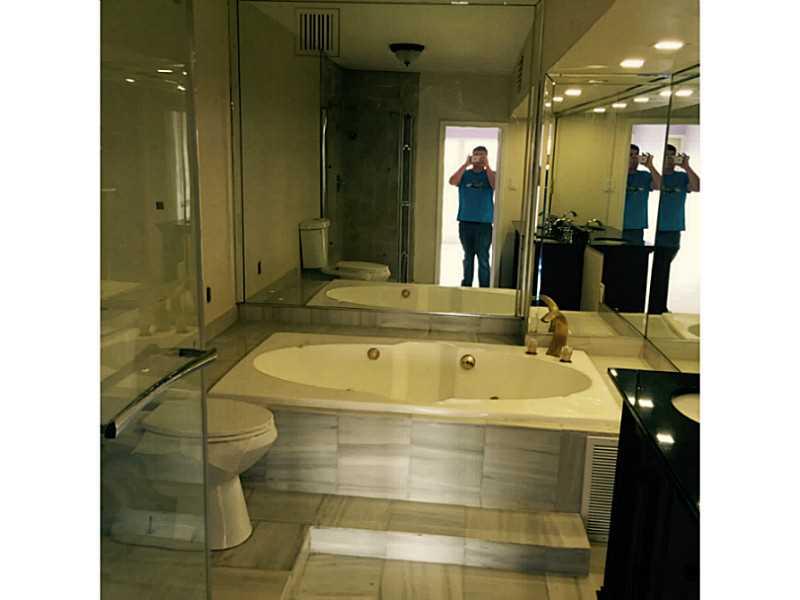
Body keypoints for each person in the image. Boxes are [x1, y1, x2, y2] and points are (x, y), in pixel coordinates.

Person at [648, 143, 701, 313]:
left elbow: (697, 187)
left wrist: (687, 167)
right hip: (656, 230)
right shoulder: (655, 176)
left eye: (671, 155)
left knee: (664, 269)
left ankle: (658, 306)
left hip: (673, 230)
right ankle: (654, 306)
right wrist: (651, 166)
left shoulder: (682, 177)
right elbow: (656, 186)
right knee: (657, 268)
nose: (669, 159)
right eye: (666, 155)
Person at [448, 146, 496, 287]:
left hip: (484, 224)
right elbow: (452, 181)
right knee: (468, 257)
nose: (478, 158)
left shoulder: (490, 174)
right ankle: (466, 286)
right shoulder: (465, 174)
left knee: (483, 258)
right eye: (476, 155)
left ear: (486, 157)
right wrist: (465, 164)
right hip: (465, 222)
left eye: (482, 155)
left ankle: (485, 289)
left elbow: (495, 185)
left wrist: (487, 166)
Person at [622, 144, 661, 245]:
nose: (633, 158)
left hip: (636, 227)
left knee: (635, 253)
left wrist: (650, 166)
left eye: (636, 155)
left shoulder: (644, 176)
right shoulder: (617, 174)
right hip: (616, 223)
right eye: (630, 155)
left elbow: (660, 186)